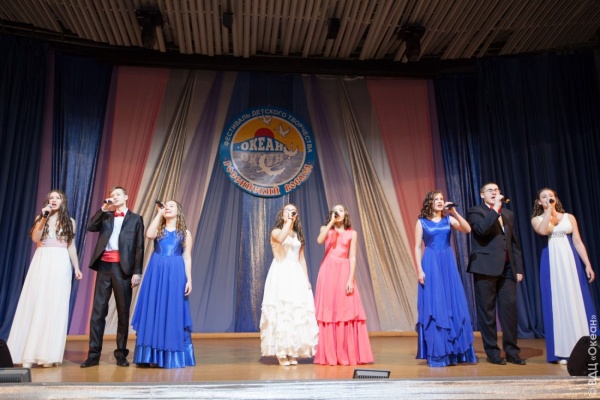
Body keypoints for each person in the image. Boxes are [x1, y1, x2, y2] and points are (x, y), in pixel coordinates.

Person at [7, 190, 82, 368]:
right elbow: (35, 238)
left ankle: (48, 355)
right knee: (37, 302)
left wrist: (76, 267)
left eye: (57, 198)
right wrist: (43, 217)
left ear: (63, 201)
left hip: (60, 262)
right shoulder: (41, 217)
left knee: (54, 305)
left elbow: (71, 246)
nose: (54, 200)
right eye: (51, 198)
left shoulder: (70, 222)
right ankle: (28, 354)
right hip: (42, 260)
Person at [531, 188, 596, 364]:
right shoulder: (537, 219)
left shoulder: (569, 217)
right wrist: (549, 211)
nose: (548, 198)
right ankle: (563, 352)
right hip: (552, 263)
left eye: (551, 196)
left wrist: (587, 264)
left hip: (571, 263)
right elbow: (543, 231)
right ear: (539, 202)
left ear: (556, 198)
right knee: (558, 303)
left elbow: (577, 241)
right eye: (544, 197)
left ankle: (586, 349)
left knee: (577, 301)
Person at [81, 186, 144, 368]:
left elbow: (139, 247)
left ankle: (121, 354)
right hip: (104, 266)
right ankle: (93, 355)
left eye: (117, 195)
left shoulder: (136, 219)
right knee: (98, 312)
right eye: (112, 195)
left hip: (123, 269)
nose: (114, 197)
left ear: (126, 197)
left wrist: (137, 272)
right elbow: (90, 226)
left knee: (123, 312)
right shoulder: (106, 216)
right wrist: (103, 208)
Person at [414, 190, 477, 367]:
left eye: (441, 199)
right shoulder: (422, 222)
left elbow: (467, 229)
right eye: (436, 199)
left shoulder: (448, 219)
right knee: (436, 305)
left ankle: (456, 352)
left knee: (451, 303)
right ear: (430, 202)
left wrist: (454, 212)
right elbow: (417, 247)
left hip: (447, 263)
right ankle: (438, 353)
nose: (440, 201)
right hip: (431, 263)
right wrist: (419, 270)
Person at [131, 200, 196, 368]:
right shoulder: (159, 229)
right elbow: (149, 235)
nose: (167, 207)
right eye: (165, 206)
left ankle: (169, 355)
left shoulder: (185, 233)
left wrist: (189, 279)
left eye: (171, 206)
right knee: (154, 308)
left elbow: (187, 257)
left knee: (172, 310)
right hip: (157, 271)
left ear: (178, 211)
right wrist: (159, 213)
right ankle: (150, 355)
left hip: (175, 272)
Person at [467, 182, 525, 366]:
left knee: (509, 311)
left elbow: (513, 243)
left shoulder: (508, 214)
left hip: (507, 268)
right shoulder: (476, 211)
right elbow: (481, 230)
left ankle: (512, 352)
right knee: (488, 312)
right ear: (482, 195)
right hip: (485, 267)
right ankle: (492, 352)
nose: (494, 192)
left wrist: (518, 269)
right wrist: (495, 209)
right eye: (490, 190)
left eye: (496, 190)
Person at [313, 204, 373, 366]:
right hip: (327, 271)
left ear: (345, 214)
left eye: (341, 209)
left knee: (346, 311)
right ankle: (329, 354)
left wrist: (350, 279)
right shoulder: (326, 229)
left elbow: (352, 257)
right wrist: (331, 223)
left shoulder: (352, 233)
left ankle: (346, 353)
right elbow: (319, 240)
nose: (338, 212)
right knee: (328, 312)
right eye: (335, 210)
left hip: (344, 271)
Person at [260, 204, 318, 366]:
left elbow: (301, 258)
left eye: (294, 212)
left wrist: (306, 280)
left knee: (295, 312)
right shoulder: (276, 231)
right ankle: (281, 352)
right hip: (281, 272)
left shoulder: (297, 235)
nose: (291, 213)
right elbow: (281, 239)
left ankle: (292, 351)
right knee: (282, 311)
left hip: (296, 274)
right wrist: (288, 222)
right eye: (288, 211)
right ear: (282, 214)